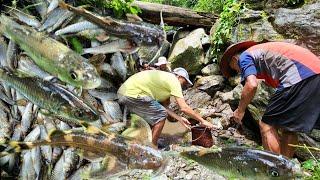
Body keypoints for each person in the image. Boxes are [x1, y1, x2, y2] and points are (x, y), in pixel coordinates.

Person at [220, 41, 320, 157]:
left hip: (298, 76)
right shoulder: (264, 53)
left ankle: (274, 168)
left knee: (266, 125)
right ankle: (286, 169)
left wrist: (240, 110)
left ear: (234, 59)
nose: (239, 72)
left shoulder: (244, 56)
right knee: (289, 128)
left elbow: (251, 85)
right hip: (314, 75)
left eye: (235, 69)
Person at [118, 68, 216, 146]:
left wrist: (179, 118)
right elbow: (184, 108)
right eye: (185, 82)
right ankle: (152, 148)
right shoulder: (173, 80)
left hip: (124, 93)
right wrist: (203, 121)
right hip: (133, 93)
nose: (184, 85)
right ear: (179, 76)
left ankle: (140, 144)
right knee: (160, 116)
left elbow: (162, 106)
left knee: (156, 116)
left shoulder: (164, 82)